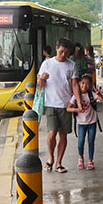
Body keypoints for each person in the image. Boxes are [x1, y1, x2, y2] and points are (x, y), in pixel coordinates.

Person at [38, 37, 82, 173]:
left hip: (66, 104)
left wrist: (79, 103)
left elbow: (75, 85)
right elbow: (40, 85)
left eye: (66, 53)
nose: (63, 55)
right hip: (50, 103)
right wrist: (42, 79)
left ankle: (59, 162)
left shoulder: (71, 65)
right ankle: (51, 158)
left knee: (63, 135)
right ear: (56, 48)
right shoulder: (47, 64)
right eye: (61, 51)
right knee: (52, 133)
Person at [67, 74, 103, 170]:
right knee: (80, 142)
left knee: (91, 141)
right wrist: (77, 110)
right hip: (81, 123)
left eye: (88, 84)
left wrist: (99, 94)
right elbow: (68, 108)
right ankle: (80, 157)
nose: (85, 86)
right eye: (83, 83)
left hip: (92, 122)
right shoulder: (76, 96)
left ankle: (90, 160)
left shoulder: (91, 95)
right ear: (79, 83)